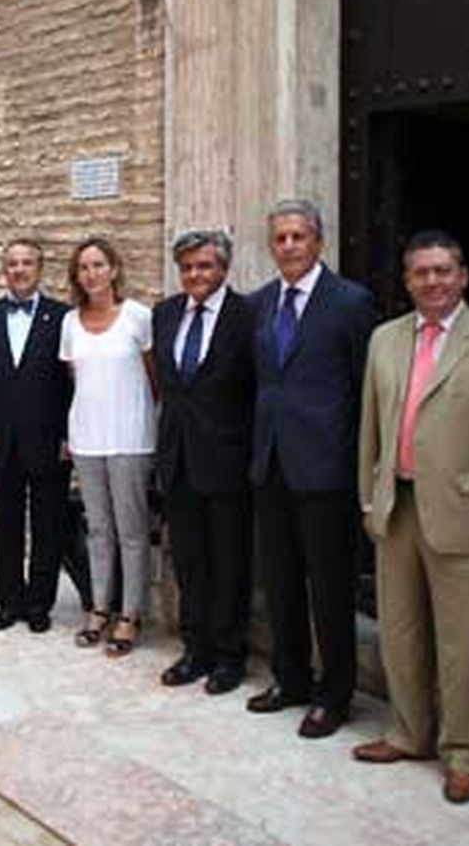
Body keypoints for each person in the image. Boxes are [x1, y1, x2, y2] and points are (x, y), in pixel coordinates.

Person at [352, 230, 469, 805]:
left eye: (442, 271)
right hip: (398, 506)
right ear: (407, 281)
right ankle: (409, 733)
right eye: (420, 272)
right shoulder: (385, 339)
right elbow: (370, 427)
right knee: (400, 632)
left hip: (465, 510)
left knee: (464, 642)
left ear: (462, 276)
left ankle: (466, 754)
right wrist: (368, 498)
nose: (432, 281)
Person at [244, 200, 377, 739]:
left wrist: (361, 468)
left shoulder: (350, 302)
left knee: (330, 588)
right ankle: (291, 678)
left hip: (326, 468)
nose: (289, 246)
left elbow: (366, 388)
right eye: (280, 238)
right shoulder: (259, 303)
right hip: (271, 463)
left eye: (298, 236)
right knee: (280, 582)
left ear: (318, 241)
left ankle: (334, 694)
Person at [152, 229, 258, 695]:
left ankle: (230, 656)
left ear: (223, 268)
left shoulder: (247, 316)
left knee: (229, 564)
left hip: (228, 460)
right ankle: (195, 650)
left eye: (205, 266)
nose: (196, 274)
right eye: (188, 267)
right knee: (189, 563)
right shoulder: (165, 313)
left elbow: (256, 389)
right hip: (178, 460)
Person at [0, 238, 74, 633]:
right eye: (12, 263)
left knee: (48, 524)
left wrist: (68, 433)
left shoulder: (63, 317)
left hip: (49, 439)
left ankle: (39, 604)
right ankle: (9, 601)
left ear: (40, 268)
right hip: (0, 439)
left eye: (27, 263)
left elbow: (72, 383)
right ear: (4, 270)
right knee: (6, 524)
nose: (19, 270)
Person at [59, 237, 155, 656]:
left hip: (130, 437)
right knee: (98, 528)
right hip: (87, 438)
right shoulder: (70, 323)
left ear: (114, 269)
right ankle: (100, 607)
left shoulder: (138, 317)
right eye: (83, 267)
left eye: (98, 265)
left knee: (131, 530)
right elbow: (75, 379)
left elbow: (153, 377)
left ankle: (131, 614)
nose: (91, 274)